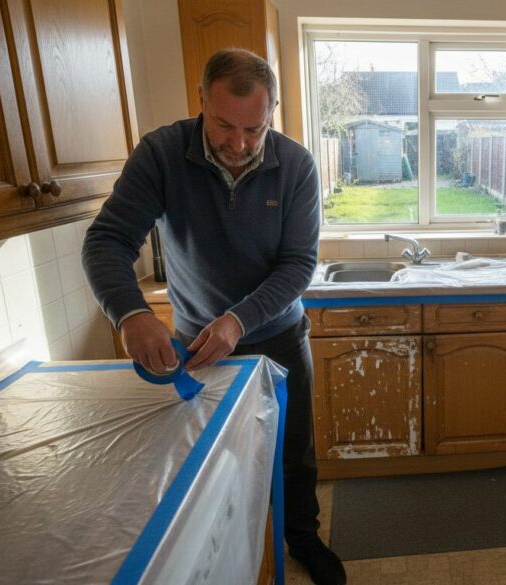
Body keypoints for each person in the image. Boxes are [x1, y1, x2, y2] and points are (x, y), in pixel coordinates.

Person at [82, 48, 346, 585]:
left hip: (278, 338)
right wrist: (130, 313)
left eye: (255, 129)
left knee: (293, 453)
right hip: (196, 345)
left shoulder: (295, 165)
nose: (240, 144)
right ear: (201, 99)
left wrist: (238, 320)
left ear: (272, 113)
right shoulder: (161, 154)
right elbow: (107, 240)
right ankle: (226, 550)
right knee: (211, 459)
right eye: (225, 125)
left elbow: (299, 265)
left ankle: (303, 537)